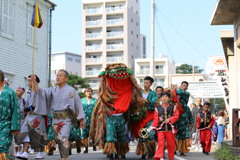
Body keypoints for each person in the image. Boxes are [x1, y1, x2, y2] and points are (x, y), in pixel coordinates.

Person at [32, 70, 85, 160]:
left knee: (64, 138)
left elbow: (78, 104)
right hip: (55, 119)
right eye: (57, 75)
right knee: (59, 139)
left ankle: (64, 158)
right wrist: (34, 82)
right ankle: (63, 155)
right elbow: (41, 92)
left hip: (67, 119)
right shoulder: (52, 89)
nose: (58, 77)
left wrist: (81, 118)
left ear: (66, 78)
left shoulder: (71, 90)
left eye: (60, 76)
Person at [17, 75, 48, 159]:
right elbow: (28, 103)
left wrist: (34, 82)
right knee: (24, 133)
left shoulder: (40, 90)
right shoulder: (29, 91)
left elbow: (36, 90)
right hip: (29, 115)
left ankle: (41, 153)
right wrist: (25, 109)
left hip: (37, 116)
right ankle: (25, 152)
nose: (28, 83)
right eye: (28, 81)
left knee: (39, 135)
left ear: (35, 82)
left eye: (30, 81)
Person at [148, 92, 179, 160]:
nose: (164, 98)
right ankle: (159, 157)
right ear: (160, 98)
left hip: (170, 129)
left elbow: (176, 116)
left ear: (169, 98)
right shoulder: (157, 109)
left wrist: (170, 119)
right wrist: (151, 127)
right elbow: (156, 120)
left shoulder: (173, 107)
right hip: (160, 129)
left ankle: (171, 158)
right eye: (163, 97)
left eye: (166, 97)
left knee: (171, 145)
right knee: (161, 143)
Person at [135, 76, 158, 160]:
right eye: (144, 82)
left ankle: (151, 152)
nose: (145, 84)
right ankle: (143, 154)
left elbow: (154, 103)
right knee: (142, 134)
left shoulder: (153, 93)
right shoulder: (139, 92)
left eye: (147, 83)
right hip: (141, 116)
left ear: (151, 84)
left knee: (151, 135)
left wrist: (145, 101)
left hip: (151, 116)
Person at [0, 70, 21, 159]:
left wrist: (15, 127)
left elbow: (15, 110)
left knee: (2, 146)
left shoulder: (10, 92)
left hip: (6, 124)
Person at [175, 81, 193, 156]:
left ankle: (182, 151)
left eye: (186, 86)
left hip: (183, 120)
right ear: (181, 85)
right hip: (175, 119)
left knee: (183, 136)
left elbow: (189, 114)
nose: (184, 86)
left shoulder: (186, 93)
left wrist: (191, 122)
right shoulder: (174, 106)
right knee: (174, 135)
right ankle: (174, 149)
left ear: (187, 87)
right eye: (183, 85)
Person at [80, 88, 97, 153]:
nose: (88, 93)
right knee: (84, 133)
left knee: (93, 132)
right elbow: (80, 110)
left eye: (90, 91)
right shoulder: (82, 101)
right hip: (84, 119)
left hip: (93, 118)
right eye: (87, 91)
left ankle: (94, 144)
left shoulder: (95, 100)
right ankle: (85, 147)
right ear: (85, 93)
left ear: (92, 92)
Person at [14, 86, 26, 157]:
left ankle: (19, 151)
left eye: (19, 90)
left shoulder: (24, 101)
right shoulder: (13, 99)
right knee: (15, 136)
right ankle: (16, 151)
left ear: (22, 93)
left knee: (21, 135)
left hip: (22, 120)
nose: (17, 92)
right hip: (14, 120)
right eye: (17, 90)